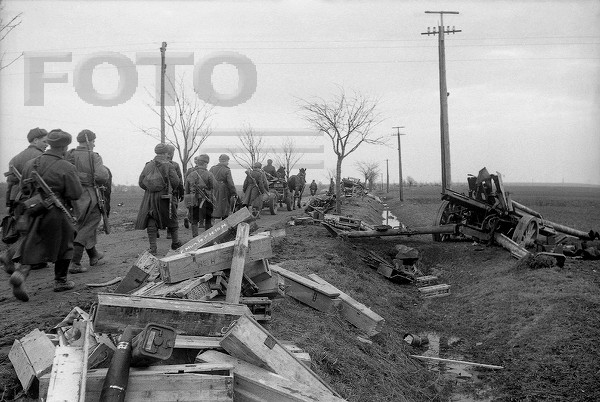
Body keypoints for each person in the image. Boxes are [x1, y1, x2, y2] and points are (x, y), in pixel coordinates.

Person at [8, 129, 83, 301]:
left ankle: (20, 273)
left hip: (33, 209)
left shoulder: (31, 163)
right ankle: (60, 281)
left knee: (34, 242)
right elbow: (75, 193)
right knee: (66, 244)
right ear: (64, 147)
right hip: (56, 211)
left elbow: (23, 188)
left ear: (49, 144)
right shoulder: (67, 166)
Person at [1, 128, 48, 274]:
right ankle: (9, 256)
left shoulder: (16, 158)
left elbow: (10, 184)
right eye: (45, 141)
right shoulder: (41, 157)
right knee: (35, 229)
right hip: (33, 199)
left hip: (17, 200)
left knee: (26, 230)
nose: (47, 145)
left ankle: (35, 261)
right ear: (35, 140)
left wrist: (9, 203)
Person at [65, 129, 111, 274]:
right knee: (90, 223)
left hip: (72, 195)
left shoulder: (69, 154)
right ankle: (75, 262)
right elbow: (102, 176)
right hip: (89, 194)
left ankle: (93, 255)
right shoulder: (94, 156)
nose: (94, 144)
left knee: (83, 223)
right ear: (88, 141)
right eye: (93, 141)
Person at [135, 143, 181, 255]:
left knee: (151, 219)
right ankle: (175, 243)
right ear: (166, 153)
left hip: (149, 197)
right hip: (164, 196)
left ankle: (153, 248)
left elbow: (141, 182)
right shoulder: (169, 165)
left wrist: (150, 189)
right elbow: (176, 182)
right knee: (172, 218)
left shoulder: (148, 165)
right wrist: (169, 188)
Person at [184, 154, 216, 237]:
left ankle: (195, 238)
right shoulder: (209, 174)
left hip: (193, 200)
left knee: (194, 220)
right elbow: (214, 187)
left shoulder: (190, 174)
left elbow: (187, 189)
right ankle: (208, 238)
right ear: (205, 163)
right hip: (206, 200)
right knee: (208, 218)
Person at [165, 144, 185, 244]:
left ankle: (155, 232)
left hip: (157, 193)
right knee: (172, 212)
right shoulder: (175, 165)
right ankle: (169, 232)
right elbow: (179, 180)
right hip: (172, 193)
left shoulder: (153, 164)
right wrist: (181, 192)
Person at [209, 154, 237, 220]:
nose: (228, 163)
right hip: (223, 189)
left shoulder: (212, 168)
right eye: (227, 161)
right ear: (225, 161)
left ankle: (212, 218)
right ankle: (224, 220)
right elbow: (230, 183)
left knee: (213, 203)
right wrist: (234, 192)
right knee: (224, 205)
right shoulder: (227, 170)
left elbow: (208, 178)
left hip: (213, 188)